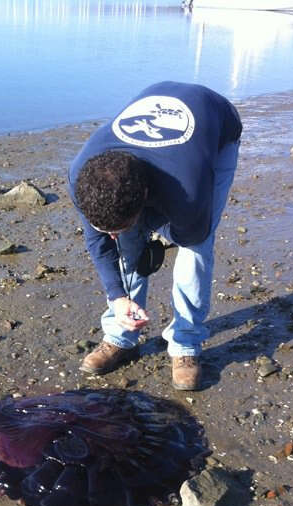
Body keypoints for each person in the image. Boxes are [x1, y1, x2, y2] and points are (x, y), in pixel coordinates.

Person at [68, 81, 242, 391]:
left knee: (196, 248)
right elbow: (98, 240)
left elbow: (192, 234)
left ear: (146, 196)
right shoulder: (83, 176)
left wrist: (147, 233)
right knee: (125, 240)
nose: (108, 234)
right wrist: (118, 296)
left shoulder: (188, 188)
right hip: (158, 102)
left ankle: (186, 344)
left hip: (218, 126)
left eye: (116, 227)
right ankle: (121, 336)